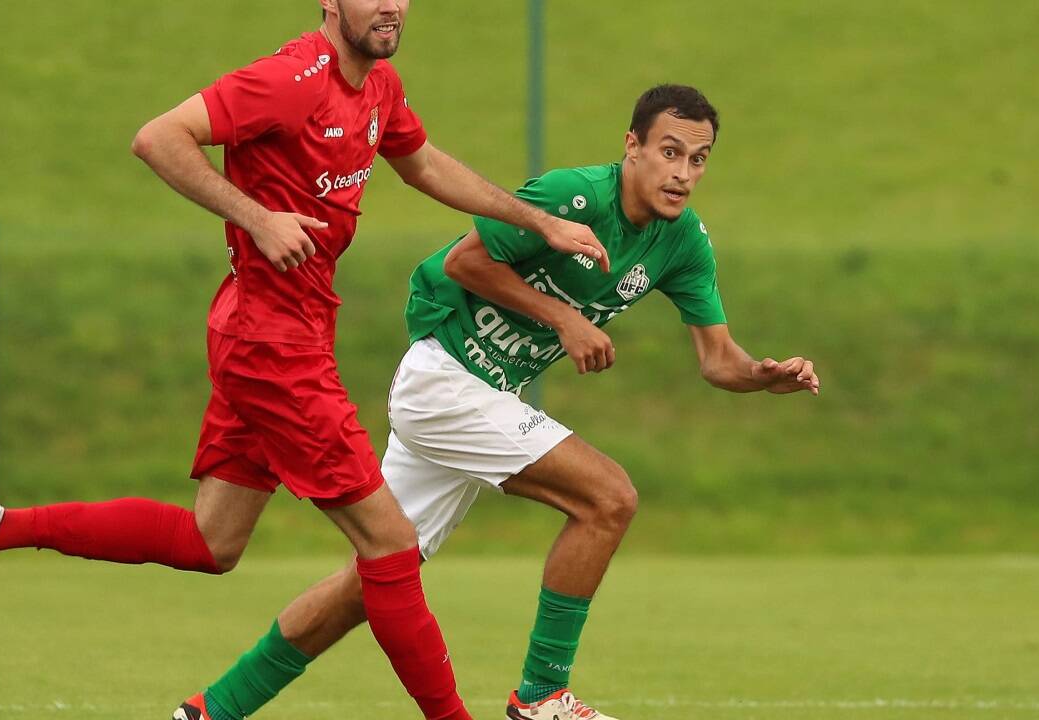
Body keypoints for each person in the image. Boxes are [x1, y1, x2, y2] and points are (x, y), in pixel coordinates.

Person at [0, 3, 607, 720]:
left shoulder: (378, 88)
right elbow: (158, 138)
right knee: (391, 547)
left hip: (273, 329)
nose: (390, 4)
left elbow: (422, 163)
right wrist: (256, 216)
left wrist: (538, 219)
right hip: (273, 342)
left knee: (212, 540)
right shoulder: (293, 77)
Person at [192, 83, 821, 720]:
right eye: (669, 151)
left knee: (370, 582)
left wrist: (762, 375)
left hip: (478, 396)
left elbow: (719, 360)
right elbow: (465, 262)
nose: (683, 173)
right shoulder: (572, 196)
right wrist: (563, 320)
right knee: (608, 498)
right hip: (444, 381)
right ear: (632, 147)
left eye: (698, 159)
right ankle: (542, 695)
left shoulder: (682, 241)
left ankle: (212, 708)